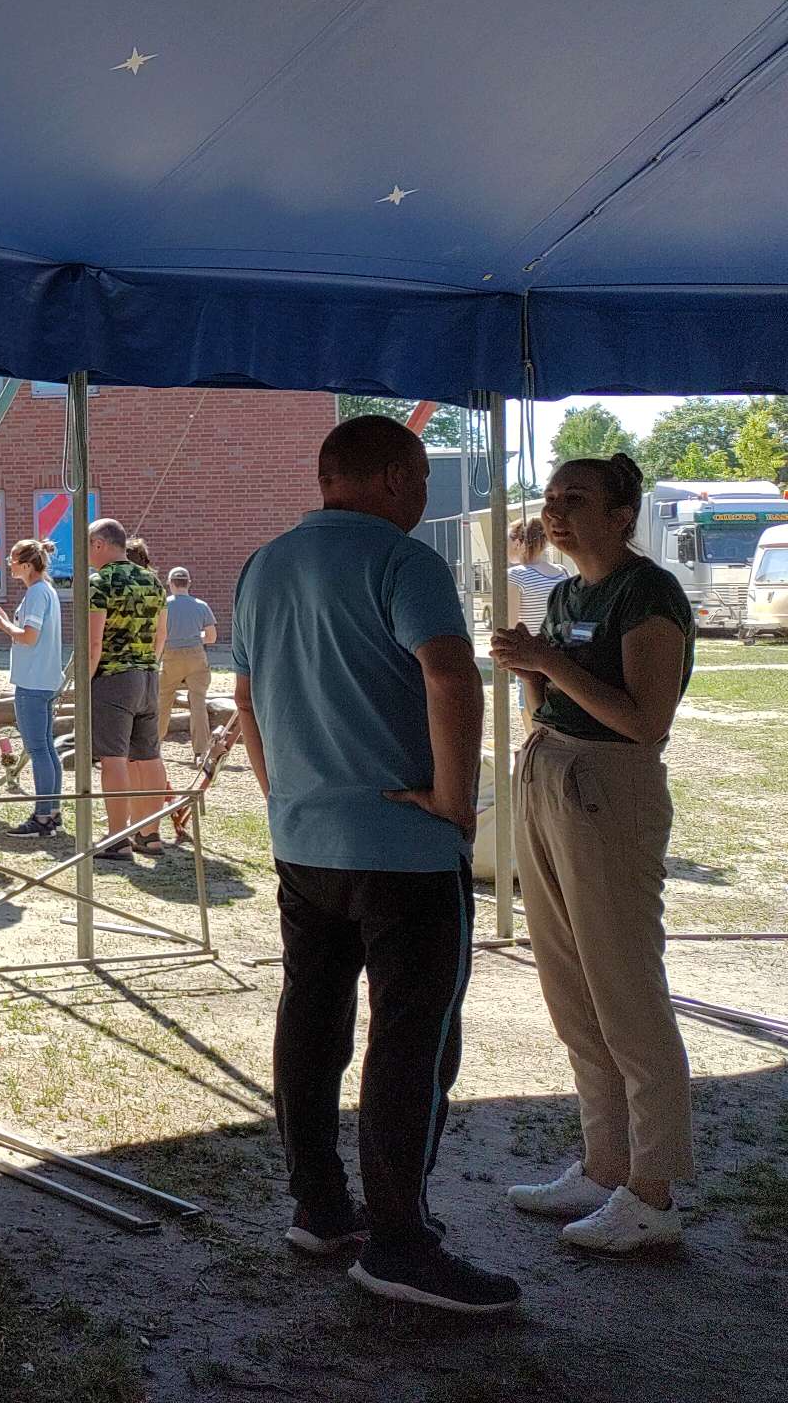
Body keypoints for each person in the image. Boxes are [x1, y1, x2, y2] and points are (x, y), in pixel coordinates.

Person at [232, 415, 517, 1314]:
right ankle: (398, 1240)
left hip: (304, 842)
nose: (426, 494)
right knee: (412, 1037)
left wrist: (283, 794)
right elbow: (452, 674)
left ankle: (320, 1208)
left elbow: (246, 699)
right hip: (403, 848)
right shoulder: (405, 561)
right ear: (394, 476)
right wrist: (455, 799)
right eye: (422, 477)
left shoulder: (263, 565)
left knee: (311, 1020)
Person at [494, 453, 695, 1254]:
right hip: (551, 768)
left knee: (624, 987)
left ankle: (653, 1190)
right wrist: (531, 668)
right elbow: (553, 697)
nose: (555, 511)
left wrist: (547, 662)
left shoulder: (647, 594)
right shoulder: (569, 593)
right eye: (550, 498)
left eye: (575, 499)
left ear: (621, 516)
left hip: (610, 785)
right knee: (570, 983)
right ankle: (605, 1164)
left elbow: (645, 720)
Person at [84, 518, 171, 862]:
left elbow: (94, 643)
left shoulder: (99, 582)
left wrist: (85, 682)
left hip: (113, 678)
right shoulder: (153, 581)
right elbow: (162, 634)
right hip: (148, 675)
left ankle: (117, 836)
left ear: (99, 544)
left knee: (113, 759)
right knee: (149, 757)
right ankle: (150, 834)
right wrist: (148, 663)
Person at [0, 538, 64, 838]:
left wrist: (2, 625)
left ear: (28, 565)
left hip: (32, 681)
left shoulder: (36, 593)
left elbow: (29, 637)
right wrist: (10, 624)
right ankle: (52, 810)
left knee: (38, 749)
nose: (10, 564)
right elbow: (30, 633)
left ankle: (42, 816)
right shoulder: (47, 591)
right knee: (47, 747)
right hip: (46, 679)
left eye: (14, 560)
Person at [504, 518, 568, 736]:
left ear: (519, 542)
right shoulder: (562, 572)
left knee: (532, 717)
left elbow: (511, 625)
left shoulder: (515, 576)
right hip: (560, 655)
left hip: (530, 657)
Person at [158, 566, 217, 759]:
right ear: (188, 583)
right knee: (198, 703)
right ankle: (200, 751)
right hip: (196, 656)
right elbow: (211, 637)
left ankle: (154, 746)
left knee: (163, 702)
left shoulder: (163, 606)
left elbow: (158, 635)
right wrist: (196, 637)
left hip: (171, 656)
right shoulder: (201, 605)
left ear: (170, 583)